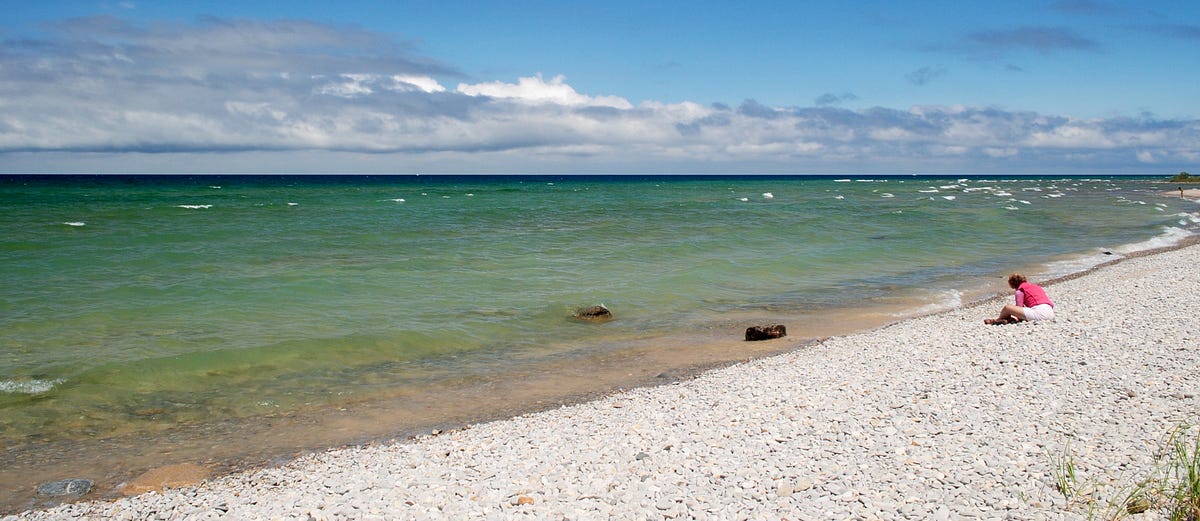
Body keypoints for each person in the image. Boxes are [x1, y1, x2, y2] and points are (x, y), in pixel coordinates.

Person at [985, 273, 1055, 325]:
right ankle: (1007, 320)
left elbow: (1019, 307)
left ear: (1012, 284)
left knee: (1007, 308)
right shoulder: (1035, 286)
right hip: (1050, 312)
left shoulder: (1020, 291)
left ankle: (997, 320)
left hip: (1040, 314)